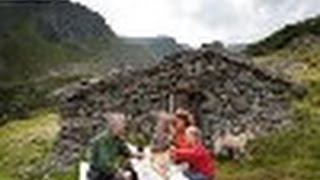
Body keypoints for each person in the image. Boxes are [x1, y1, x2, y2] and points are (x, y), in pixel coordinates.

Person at [87, 113, 137, 180]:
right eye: (122, 126)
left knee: (133, 173)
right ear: (114, 126)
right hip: (99, 174)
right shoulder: (102, 141)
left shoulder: (117, 138)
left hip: (110, 171)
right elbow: (105, 164)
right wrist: (120, 173)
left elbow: (124, 150)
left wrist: (135, 155)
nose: (124, 129)